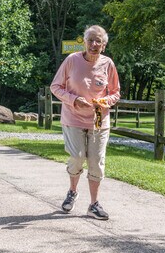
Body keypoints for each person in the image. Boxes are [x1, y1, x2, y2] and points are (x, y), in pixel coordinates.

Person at [50, 25, 120, 220]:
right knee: (77, 157)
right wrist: (73, 99)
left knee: (96, 162)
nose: (94, 44)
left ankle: (94, 204)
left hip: (99, 119)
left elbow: (115, 93)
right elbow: (55, 86)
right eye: (90, 40)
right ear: (84, 42)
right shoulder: (72, 61)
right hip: (73, 117)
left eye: (99, 41)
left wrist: (105, 102)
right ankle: (72, 191)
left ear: (104, 45)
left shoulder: (108, 64)